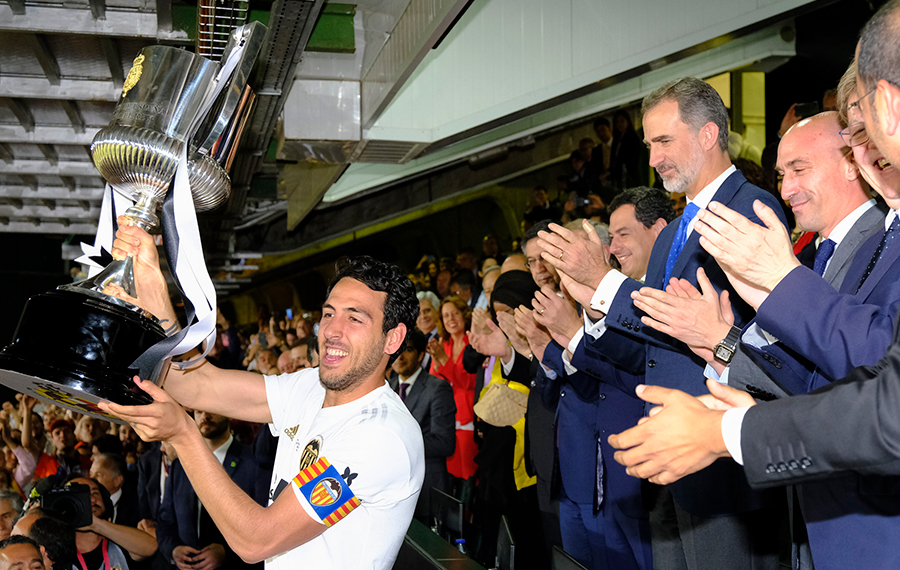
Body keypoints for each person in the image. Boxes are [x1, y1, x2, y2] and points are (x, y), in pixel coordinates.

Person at [605, 0, 900, 522]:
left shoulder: (760, 218)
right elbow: (819, 377)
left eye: (861, 132)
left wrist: (732, 428)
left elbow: (881, 388)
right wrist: (724, 346)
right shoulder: (826, 248)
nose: (785, 190)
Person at [540, 77, 788, 570]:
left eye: (663, 141)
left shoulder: (749, 209)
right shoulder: (676, 229)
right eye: (650, 143)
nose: (652, 158)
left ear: (709, 135)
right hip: (668, 458)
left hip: (720, 459)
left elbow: (715, 330)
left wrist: (606, 282)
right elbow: (654, 349)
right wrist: (595, 305)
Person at [101, 243, 424, 569]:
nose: (331, 331)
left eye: (355, 318)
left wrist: (183, 435)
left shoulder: (381, 436)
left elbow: (257, 540)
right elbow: (198, 385)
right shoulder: (310, 385)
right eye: (328, 313)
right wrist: (151, 283)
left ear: (393, 339)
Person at [156, 411, 268, 570]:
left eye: (211, 410)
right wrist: (173, 550)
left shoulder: (255, 464)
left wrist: (228, 553)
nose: (205, 416)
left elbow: (263, 527)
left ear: (229, 413)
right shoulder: (179, 467)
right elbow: (165, 521)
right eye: (199, 411)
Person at [388, 329, 456, 523]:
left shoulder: (437, 388)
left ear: (420, 355)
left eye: (407, 349)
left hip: (426, 487)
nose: (400, 356)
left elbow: (445, 443)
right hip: (393, 490)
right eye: (396, 350)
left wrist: (395, 445)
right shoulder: (387, 387)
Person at [427, 297, 478, 482]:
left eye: (455, 313)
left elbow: (468, 382)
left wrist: (444, 361)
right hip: (447, 420)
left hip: (468, 421)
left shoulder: (473, 343)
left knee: (469, 479)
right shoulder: (444, 345)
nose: (451, 318)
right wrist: (436, 359)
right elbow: (435, 382)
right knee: (450, 479)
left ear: (464, 315)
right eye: (446, 315)